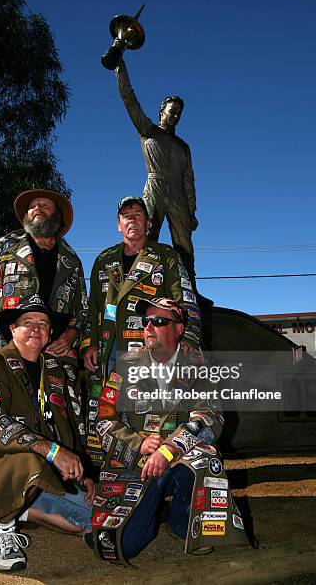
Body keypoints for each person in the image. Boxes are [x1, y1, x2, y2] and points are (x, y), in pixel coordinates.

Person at [86, 298, 248, 564]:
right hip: (137, 461)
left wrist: (171, 447)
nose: (149, 326)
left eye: (159, 321)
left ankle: (183, 523)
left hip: (178, 456)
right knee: (123, 547)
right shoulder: (126, 363)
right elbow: (103, 419)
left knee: (206, 456)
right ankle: (148, 511)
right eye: (146, 321)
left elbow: (211, 416)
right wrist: (137, 443)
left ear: (178, 329)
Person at [0, 298, 95, 572]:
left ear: (50, 334)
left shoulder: (54, 370)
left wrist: (82, 470)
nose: (36, 328)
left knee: (91, 518)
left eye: (43, 324)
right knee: (31, 462)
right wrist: (51, 451)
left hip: (36, 467)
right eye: (27, 323)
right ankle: (4, 531)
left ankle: (17, 509)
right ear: (12, 329)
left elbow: (65, 425)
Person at [82, 196, 201, 466]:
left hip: (148, 352)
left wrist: (190, 337)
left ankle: (152, 469)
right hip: (109, 352)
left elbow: (185, 299)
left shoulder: (165, 257)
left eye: (138, 214)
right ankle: (107, 473)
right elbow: (93, 309)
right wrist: (89, 344)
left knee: (147, 414)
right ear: (118, 224)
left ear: (148, 223)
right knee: (106, 412)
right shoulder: (104, 260)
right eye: (126, 215)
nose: (132, 219)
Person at [0, 188, 88, 366]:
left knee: (57, 394)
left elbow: (83, 309)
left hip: (55, 353)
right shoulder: (5, 245)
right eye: (32, 206)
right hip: (2, 345)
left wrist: (72, 334)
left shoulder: (72, 260)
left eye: (45, 206)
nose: (38, 208)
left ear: (57, 216)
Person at [115, 59, 198, 285]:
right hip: (155, 187)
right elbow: (129, 100)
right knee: (146, 234)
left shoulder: (183, 146)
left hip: (178, 193)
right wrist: (119, 68)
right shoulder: (148, 130)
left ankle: (189, 287)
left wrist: (191, 211)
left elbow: (189, 180)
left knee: (184, 244)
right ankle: (137, 282)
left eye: (179, 113)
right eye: (172, 112)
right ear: (162, 111)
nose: (175, 116)